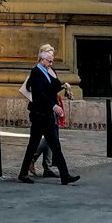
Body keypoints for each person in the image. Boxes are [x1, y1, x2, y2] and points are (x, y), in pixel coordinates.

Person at [17, 44, 79, 185]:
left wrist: (64, 86)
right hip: (40, 115)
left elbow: (54, 86)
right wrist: (53, 106)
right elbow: (39, 94)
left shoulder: (47, 71)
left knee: (45, 145)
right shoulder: (36, 73)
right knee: (41, 144)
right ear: (42, 60)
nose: (51, 64)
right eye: (49, 61)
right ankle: (63, 176)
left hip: (46, 115)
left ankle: (25, 173)